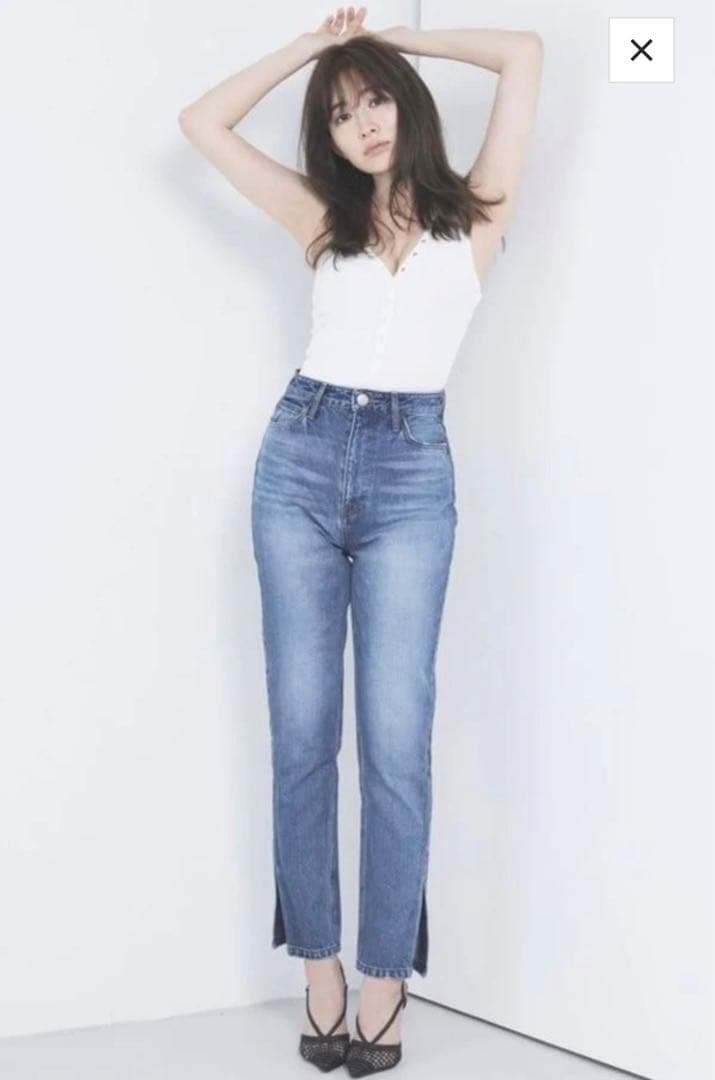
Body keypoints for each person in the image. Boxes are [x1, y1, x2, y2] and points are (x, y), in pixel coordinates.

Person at [178, 8, 543, 1074]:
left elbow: (523, 54)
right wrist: (311, 52)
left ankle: (385, 981)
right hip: (297, 463)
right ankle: (319, 971)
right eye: (340, 114)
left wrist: (389, 42)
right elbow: (200, 122)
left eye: (375, 100)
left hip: (409, 479)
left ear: (406, 104)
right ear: (327, 136)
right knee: (301, 738)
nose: (363, 123)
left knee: (394, 743)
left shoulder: (477, 210)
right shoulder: (319, 220)